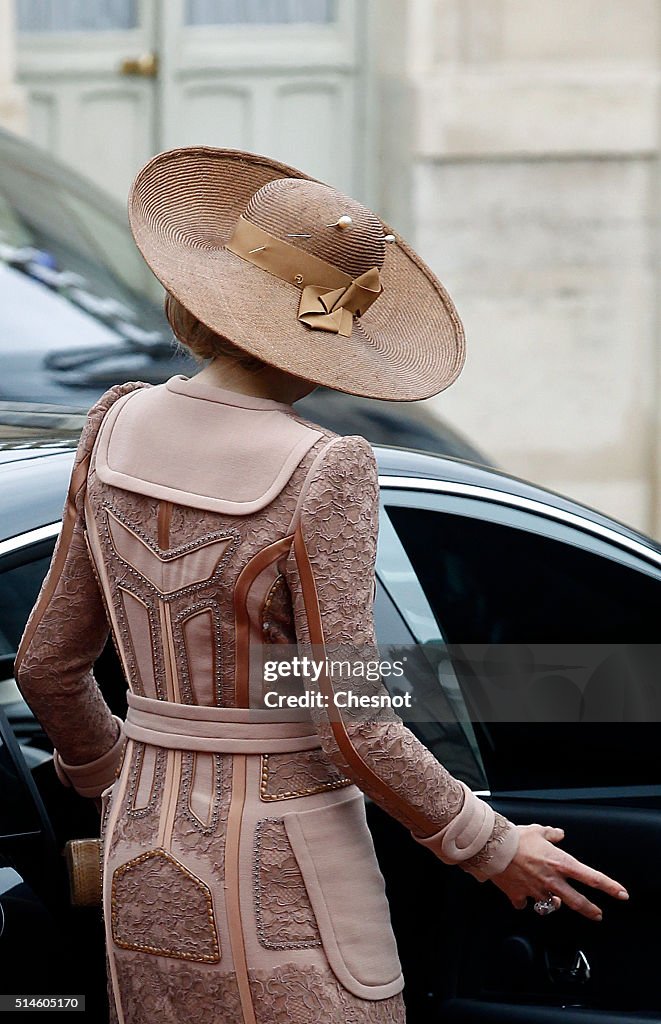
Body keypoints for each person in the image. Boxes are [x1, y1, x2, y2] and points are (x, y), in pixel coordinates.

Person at [15, 147, 628, 1024]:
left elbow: (45, 665)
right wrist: (493, 845)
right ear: (329, 330)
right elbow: (354, 720)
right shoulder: (325, 468)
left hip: (140, 859)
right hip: (285, 878)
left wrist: (118, 778)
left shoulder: (113, 421)